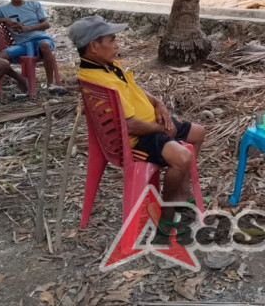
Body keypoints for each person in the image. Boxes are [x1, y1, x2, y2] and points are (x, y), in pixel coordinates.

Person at [71, 15, 206, 239]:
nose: (117, 45)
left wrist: (159, 104)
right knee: (181, 157)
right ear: (94, 46)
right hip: (137, 138)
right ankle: (167, 212)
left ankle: (181, 190)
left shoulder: (107, 66)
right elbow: (130, 126)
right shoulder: (102, 80)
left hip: (152, 123)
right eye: (112, 40)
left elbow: (135, 88)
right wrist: (162, 129)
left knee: (198, 133)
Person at [0, 0, 67, 95]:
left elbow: (46, 24)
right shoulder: (3, 9)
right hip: (22, 45)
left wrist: (28, 28)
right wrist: (5, 20)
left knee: (45, 45)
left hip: (40, 39)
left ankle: (51, 84)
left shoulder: (34, 4)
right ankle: (20, 79)